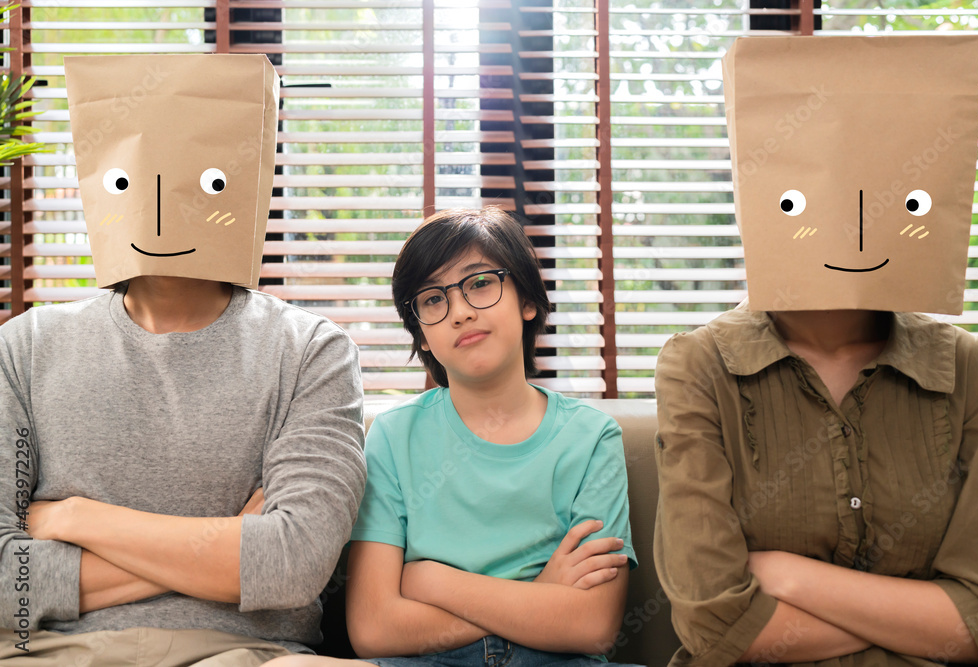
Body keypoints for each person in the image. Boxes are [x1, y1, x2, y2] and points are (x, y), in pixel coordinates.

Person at [0, 54, 367, 666]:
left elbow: (296, 564)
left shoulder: (311, 351)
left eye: (209, 183)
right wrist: (226, 544)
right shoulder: (25, 346)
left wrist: (73, 517)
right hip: (51, 653)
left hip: (250, 652)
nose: (166, 210)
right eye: (131, 180)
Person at [653, 35, 978, 667]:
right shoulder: (700, 366)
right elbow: (716, 626)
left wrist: (790, 576)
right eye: (800, 201)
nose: (853, 226)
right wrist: (916, 616)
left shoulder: (976, 371)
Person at [264, 208, 640, 667]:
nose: (460, 311)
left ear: (527, 300)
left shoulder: (591, 436)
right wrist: (538, 599)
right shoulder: (394, 435)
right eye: (433, 299)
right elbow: (373, 628)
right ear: (421, 334)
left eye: (480, 283)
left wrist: (432, 581)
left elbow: (592, 626)